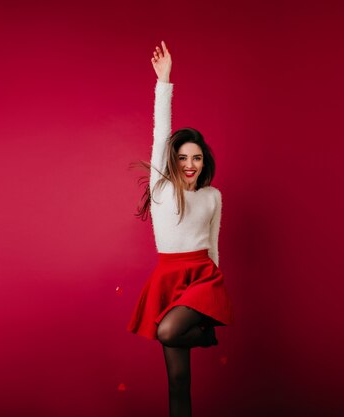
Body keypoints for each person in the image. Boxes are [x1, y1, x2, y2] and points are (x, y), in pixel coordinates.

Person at [126, 41, 235, 417]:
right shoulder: (162, 189)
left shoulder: (212, 197)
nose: (190, 164)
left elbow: (214, 244)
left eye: (197, 158)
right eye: (183, 157)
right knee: (178, 381)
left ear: (204, 163)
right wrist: (164, 81)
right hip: (168, 277)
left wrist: (213, 300)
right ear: (173, 160)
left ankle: (205, 330)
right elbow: (161, 131)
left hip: (203, 277)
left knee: (169, 331)